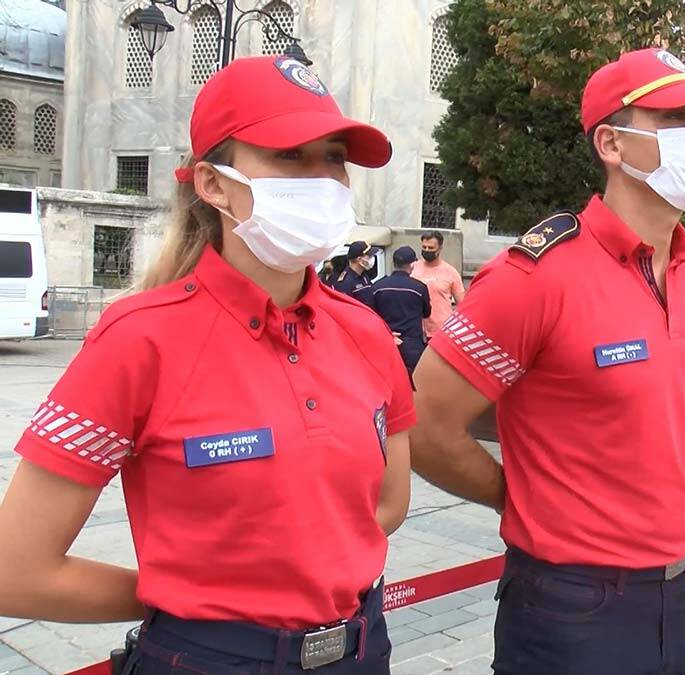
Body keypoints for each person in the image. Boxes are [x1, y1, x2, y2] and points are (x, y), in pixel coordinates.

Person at [0, 56, 414, 673]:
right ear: (212, 184)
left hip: (360, 649)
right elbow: (17, 571)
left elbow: (387, 503)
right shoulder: (139, 339)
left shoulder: (365, 330)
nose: (322, 180)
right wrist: (188, 603)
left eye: (333, 158)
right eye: (290, 156)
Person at [407, 48, 685, 674]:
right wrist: (521, 497)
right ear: (611, 144)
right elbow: (424, 423)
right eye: (675, 119)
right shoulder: (539, 274)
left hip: (684, 587)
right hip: (572, 605)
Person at [362, 246, 432, 380]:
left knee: (385, 381)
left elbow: (370, 314)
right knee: (411, 384)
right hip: (412, 345)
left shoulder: (377, 286)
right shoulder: (419, 288)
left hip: (385, 341)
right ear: (412, 264)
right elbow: (426, 313)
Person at [411, 231, 465, 339]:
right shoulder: (413, 268)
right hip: (416, 330)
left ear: (440, 248)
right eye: (424, 247)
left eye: (431, 248)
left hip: (441, 332)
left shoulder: (450, 272)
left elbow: (462, 304)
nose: (426, 250)